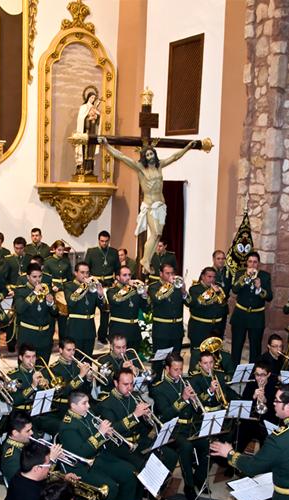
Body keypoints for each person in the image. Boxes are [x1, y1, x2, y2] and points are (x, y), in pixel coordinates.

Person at [99, 136, 196, 274]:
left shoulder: (159, 165)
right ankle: (145, 260)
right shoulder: (140, 167)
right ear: (144, 156)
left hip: (161, 204)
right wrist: (107, 146)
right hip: (150, 205)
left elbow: (174, 157)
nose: (150, 156)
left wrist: (187, 147)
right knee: (155, 232)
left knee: (158, 235)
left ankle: (147, 260)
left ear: (154, 154)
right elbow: (121, 157)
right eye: (147, 154)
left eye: (151, 153)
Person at [59, 391, 140, 500]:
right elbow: (81, 453)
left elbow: (98, 436)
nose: (89, 406)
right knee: (110, 487)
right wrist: (101, 434)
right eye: (84, 403)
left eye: (88, 402)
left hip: (99, 457)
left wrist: (106, 433)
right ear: (73, 406)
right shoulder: (68, 427)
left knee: (130, 473)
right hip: (83, 467)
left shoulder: (87, 414)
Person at [96, 367, 178, 474]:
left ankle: (159, 487)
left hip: (140, 440)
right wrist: (134, 416)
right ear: (116, 383)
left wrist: (147, 417)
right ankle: (146, 488)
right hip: (121, 446)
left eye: (131, 383)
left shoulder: (135, 395)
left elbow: (147, 426)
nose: (129, 388)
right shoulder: (105, 403)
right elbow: (112, 430)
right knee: (144, 465)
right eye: (125, 384)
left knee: (171, 456)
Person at [151, 353, 208, 500]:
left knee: (205, 442)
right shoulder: (159, 388)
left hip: (190, 426)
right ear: (167, 369)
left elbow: (196, 410)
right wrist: (182, 399)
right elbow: (165, 415)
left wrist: (196, 401)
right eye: (175, 369)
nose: (179, 373)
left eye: (181, 369)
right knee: (186, 447)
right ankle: (188, 486)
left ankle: (199, 478)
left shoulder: (187, 382)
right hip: (173, 429)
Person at [230, 251, 273, 364]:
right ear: (247, 263)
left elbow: (269, 297)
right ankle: (233, 372)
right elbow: (234, 289)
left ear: (258, 263)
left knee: (255, 347)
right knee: (236, 345)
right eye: (250, 262)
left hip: (256, 316)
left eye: (255, 262)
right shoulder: (240, 273)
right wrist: (244, 277)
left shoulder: (264, 276)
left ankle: (254, 374)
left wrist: (259, 288)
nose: (252, 264)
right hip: (240, 315)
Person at [148, 263, 188, 375]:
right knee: (159, 362)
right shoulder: (154, 287)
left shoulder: (178, 286)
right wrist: (168, 286)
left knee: (175, 361)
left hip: (176, 330)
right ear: (161, 274)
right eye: (167, 273)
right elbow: (157, 299)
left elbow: (189, 303)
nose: (171, 276)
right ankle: (155, 386)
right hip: (162, 330)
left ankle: (173, 383)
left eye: (172, 273)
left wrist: (184, 291)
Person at [13, 263, 57, 361]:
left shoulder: (46, 289)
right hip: (28, 336)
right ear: (28, 277)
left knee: (44, 369)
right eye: (34, 277)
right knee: (27, 369)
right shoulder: (21, 291)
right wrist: (34, 293)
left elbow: (55, 312)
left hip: (45, 337)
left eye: (40, 276)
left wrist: (51, 303)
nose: (38, 280)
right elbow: (20, 309)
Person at [84, 231, 119, 343]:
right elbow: (86, 269)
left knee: (105, 312)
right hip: (94, 285)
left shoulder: (113, 252)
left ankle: (102, 336)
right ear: (98, 240)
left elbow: (117, 269)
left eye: (106, 241)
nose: (104, 243)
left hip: (108, 285)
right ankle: (89, 335)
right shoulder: (91, 251)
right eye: (102, 241)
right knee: (90, 310)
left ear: (109, 240)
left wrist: (117, 281)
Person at [64, 262, 105, 358]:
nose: (85, 275)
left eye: (87, 273)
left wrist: (100, 295)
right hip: (75, 328)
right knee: (76, 358)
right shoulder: (69, 286)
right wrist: (83, 287)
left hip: (90, 328)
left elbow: (102, 307)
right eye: (82, 272)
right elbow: (71, 301)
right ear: (75, 273)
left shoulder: (92, 287)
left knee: (88, 358)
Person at [106, 266, 148, 352]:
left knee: (133, 358)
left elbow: (145, 309)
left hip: (134, 331)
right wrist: (128, 287)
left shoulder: (136, 290)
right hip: (119, 330)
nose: (128, 277)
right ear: (118, 277)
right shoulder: (111, 291)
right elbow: (116, 300)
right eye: (124, 275)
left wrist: (144, 294)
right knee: (118, 359)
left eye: (129, 275)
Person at [187, 267, 228, 352]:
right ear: (203, 277)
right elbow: (198, 304)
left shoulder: (218, 288)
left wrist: (219, 294)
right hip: (199, 327)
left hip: (216, 328)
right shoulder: (195, 289)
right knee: (197, 355)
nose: (212, 279)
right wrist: (213, 292)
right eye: (209, 277)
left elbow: (224, 307)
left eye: (214, 277)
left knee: (213, 356)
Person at [74, 86, 102, 175]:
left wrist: (96, 117)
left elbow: (98, 121)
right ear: (88, 98)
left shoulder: (94, 108)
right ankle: (82, 168)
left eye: (94, 98)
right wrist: (88, 118)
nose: (93, 99)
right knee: (84, 149)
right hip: (85, 131)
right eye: (91, 97)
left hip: (92, 132)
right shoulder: (83, 107)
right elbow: (81, 119)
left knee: (91, 150)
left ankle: (89, 169)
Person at [211, 249, 232, 337]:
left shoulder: (228, 272)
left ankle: (218, 349)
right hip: (212, 308)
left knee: (220, 334)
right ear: (213, 259)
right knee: (211, 334)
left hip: (223, 308)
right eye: (218, 258)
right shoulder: (208, 272)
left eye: (223, 259)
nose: (221, 261)